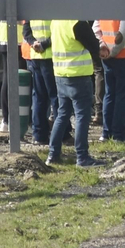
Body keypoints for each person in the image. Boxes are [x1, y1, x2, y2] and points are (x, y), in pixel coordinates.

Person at [42, 17, 103, 167]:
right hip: (78, 75)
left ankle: (53, 155)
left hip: (61, 75)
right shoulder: (78, 23)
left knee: (62, 114)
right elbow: (93, 45)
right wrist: (102, 47)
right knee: (82, 116)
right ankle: (82, 157)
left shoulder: (56, 22)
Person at [97, 15, 125, 143]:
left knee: (110, 94)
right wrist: (113, 52)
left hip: (107, 57)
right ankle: (119, 132)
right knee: (123, 96)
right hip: (123, 57)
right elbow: (124, 32)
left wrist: (102, 45)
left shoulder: (102, 6)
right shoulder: (123, 7)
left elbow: (95, 29)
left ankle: (107, 132)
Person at [22, 18, 57, 144]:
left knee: (39, 97)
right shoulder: (53, 6)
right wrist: (43, 44)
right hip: (51, 56)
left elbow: (26, 31)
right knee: (55, 97)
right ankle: (61, 135)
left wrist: (33, 43)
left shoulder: (32, 8)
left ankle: (39, 135)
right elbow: (59, 32)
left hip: (36, 56)